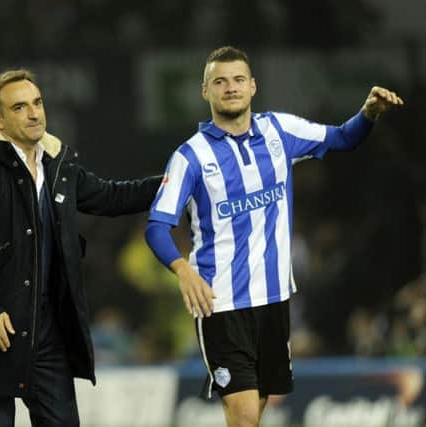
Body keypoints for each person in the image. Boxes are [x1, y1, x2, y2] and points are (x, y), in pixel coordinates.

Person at [144, 46, 403, 427]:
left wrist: (368, 115)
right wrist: (184, 271)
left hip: (274, 298)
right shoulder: (190, 156)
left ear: (252, 86)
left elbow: (342, 138)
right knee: (245, 415)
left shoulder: (280, 130)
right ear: (205, 92)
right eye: (219, 81)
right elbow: (157, 225)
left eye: (237, 80)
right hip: (222, 303)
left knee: (258, 407)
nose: (230, 88)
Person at [0, 69, 161, 427]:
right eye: (20, 107)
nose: (34, 113)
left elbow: (111, 196)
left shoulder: (58, 166)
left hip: (48, 333)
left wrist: (172, 182)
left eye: (37, 103)